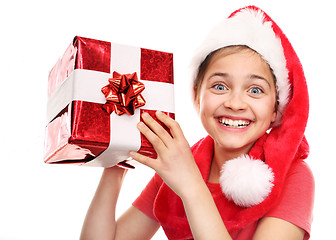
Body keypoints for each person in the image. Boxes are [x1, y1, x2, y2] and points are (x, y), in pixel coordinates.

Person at [80, 5, 314, 240]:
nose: (235, 103)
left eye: (255, 90)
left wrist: (190, 185)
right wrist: (116, 162)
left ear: (276, 108)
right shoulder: (179, 163)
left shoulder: (294, 175)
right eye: (220, 86)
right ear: (196, 96)